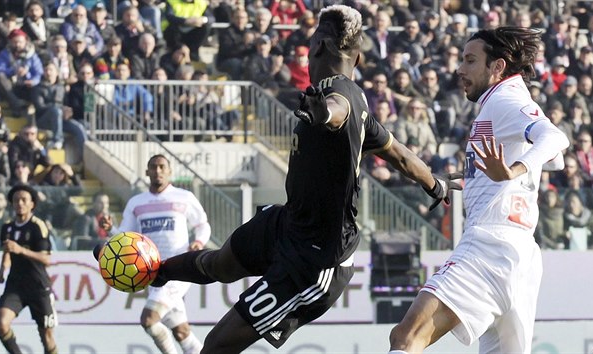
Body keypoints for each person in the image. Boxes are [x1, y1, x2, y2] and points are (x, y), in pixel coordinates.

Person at [136, 5, 460, 353]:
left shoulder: (339, 96)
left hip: (317, 260)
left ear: (318, 46)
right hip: (289, 223)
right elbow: (399, 154)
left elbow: (337, 112)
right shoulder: (358, 101)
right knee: (220, 264)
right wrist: (437, 185)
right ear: (360, 58)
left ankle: (155, 272)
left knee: (216, 345)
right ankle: (155, 271)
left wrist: (323, 115)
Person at [388, 27, 570, 353]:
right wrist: (469, 178)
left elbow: (555, 139)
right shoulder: (502, 102)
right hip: (520, 252)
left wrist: (512, 170)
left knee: (406, 337)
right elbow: (553, 159)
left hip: (488, 245)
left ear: (497, 67)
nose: (461, 69)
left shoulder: (504, 99)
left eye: (470, 60)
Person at [98, 154, 210, 354]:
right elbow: (127, 236)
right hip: (151, 271)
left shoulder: (184, 197)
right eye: (153, 167)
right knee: (182, 332)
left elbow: (202, 225)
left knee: (149, 320)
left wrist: (199, 241)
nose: (157, 171)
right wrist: (111, 229)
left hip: (177, 268)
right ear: (147, 172)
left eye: (161, 167)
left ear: (169, 171)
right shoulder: (136, 203)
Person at [0, 184, 57, 354]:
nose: (19, 203)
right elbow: (8, 251)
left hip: (38, 286)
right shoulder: (7, 227)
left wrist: (21, 250)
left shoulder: (38, 226)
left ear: (32, 204)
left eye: (23, 200)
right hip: (15, 285)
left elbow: (47, 259)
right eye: (16, 200)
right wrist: (2, 271)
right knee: (1, 323)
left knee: (47, 337)